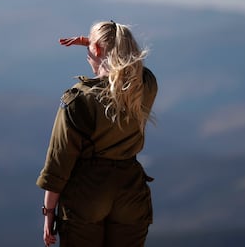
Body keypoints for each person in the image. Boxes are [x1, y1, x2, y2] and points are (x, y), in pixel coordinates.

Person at [36, 20, 158, 247]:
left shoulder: (78, 99)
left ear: (97, 49)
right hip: (130, 190)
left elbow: (58, 162)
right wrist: (97, 46)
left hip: (87, 192)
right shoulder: (144, 87)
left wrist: (48, 212)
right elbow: (139, 70)